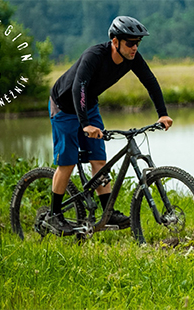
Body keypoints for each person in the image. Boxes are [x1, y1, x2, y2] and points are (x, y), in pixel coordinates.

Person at [46, 16, 173, 235]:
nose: (135, 48)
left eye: (137, 43)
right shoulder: (94, 56)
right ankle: (53, 214)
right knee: (66, 161)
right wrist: (84, 124)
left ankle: (108, 211)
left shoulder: (133, 59)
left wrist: (163, 114)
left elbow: (150, 82)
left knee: (99, 160)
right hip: (65, 106)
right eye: (130, 43)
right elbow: (79, 87)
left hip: (89, 105)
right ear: (115, 42)